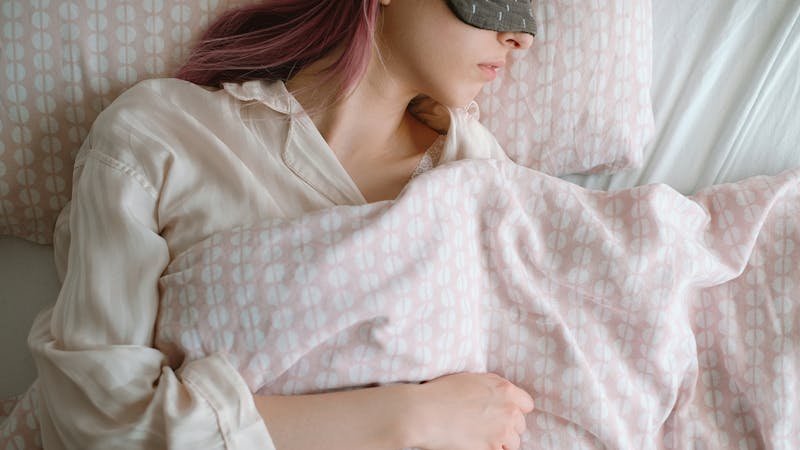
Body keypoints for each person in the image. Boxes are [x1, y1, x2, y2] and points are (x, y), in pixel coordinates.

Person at [27, 1, 536, 448]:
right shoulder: (159, 134)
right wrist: (410, 417)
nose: (522, 36)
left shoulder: (478, 171)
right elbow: (96, 420)